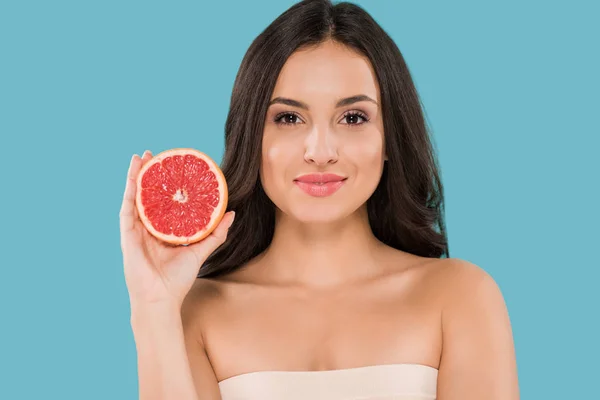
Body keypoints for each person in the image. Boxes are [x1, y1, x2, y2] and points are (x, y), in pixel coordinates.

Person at [119, 0, 519, 399]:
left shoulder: (460, 297)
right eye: (289, 118)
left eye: (353, 118)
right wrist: (152, 307)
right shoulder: (195, 311)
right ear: (252, 138)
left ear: (389, 139)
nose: (320, 150)